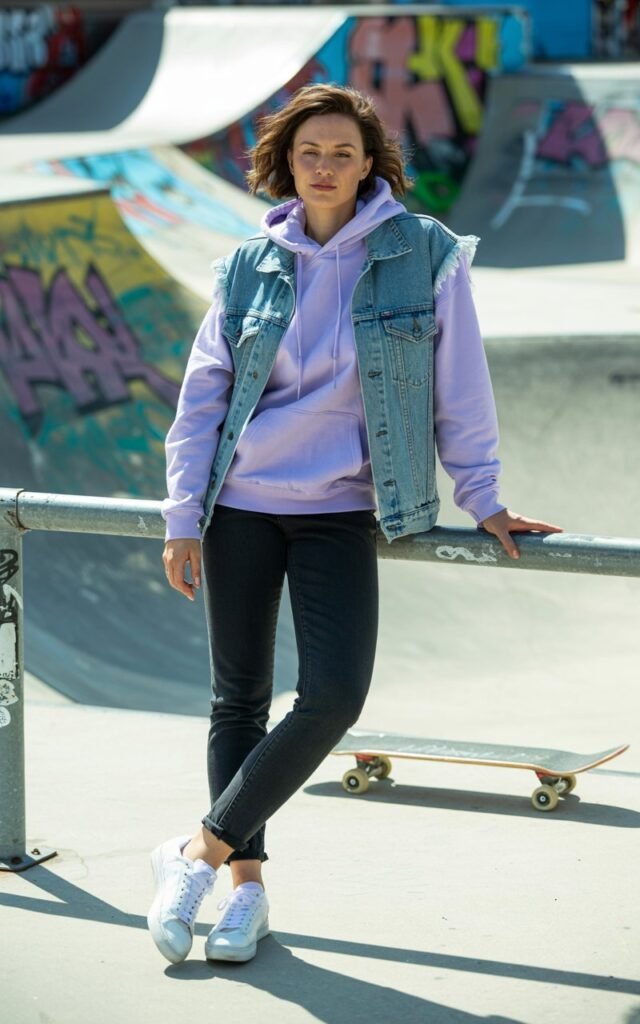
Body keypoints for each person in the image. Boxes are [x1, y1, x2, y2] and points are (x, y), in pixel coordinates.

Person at [147, 83, 562, 966]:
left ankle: (197, 852)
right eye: (309, 153)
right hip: (241, 507)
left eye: (342, 152)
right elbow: (202, 400)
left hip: (340, 511)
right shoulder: (245, 265)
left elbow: (461, 388)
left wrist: (482, 496)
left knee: (334, 695)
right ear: (285, 164)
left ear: (371, 163)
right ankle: (242, 899)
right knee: (239, 701)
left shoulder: (426, 254)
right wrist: (183, 515)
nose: (325, 167)